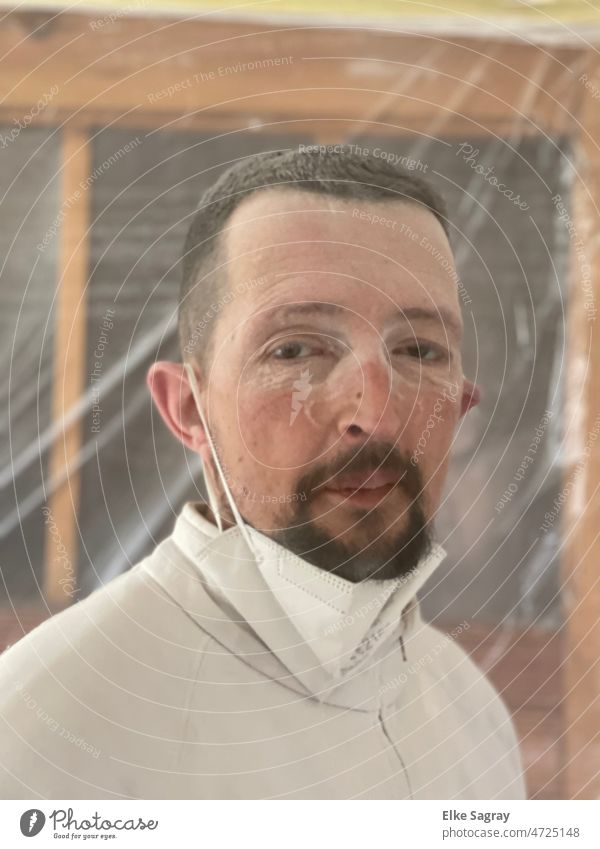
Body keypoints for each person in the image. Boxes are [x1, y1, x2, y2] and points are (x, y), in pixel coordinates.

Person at [0, 148, 525, 799]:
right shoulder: (43, 732)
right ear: (190, 407)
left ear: (463, 401)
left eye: (419, 350)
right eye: (296, 348)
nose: (378, 414)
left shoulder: (472, 713)